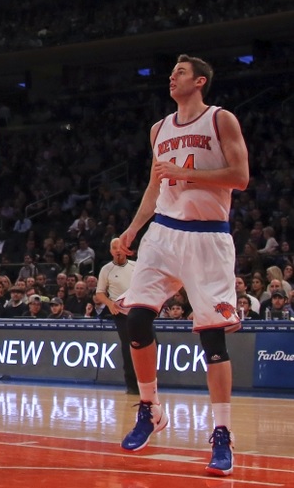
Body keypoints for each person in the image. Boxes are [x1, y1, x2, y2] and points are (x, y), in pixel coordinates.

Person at [116, 54, 249, 477]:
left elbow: (241, 177)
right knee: (136, 318)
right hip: (163, 233)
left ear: (200, 81)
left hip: (209, 236)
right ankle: (150, 408)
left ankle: (222, 433)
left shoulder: (220, 120)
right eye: (171, 72)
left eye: (180, 73)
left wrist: (190, 176)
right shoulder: (159, 128)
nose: (171, 77)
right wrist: (130, 232)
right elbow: (154, 189)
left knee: (212, 339)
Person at [94, 238, 138, 395]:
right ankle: (132, 386)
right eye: (114, 248)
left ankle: (148, 382)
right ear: (110, 251)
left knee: (152, 343)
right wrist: (110, 304)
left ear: (126, 250)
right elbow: (99, 293)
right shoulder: (106, 269)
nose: (118, 250)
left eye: (120, 247)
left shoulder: (136, 266)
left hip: (138, 310)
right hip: (120, 312)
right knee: (128, 346)